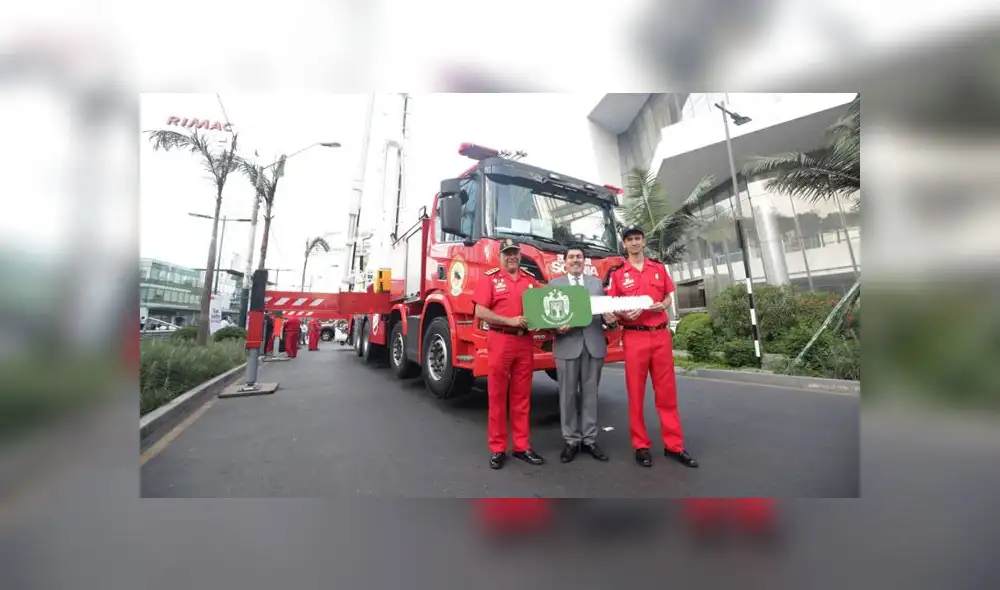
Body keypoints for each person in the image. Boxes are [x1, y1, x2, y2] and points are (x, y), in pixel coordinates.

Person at [605, 225, 698, 469]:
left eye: (638, 239)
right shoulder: (617, 274)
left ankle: (674, 445)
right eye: (630, 240)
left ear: (644, 242)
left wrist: (663, 305)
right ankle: (641, 445)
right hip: (635, 337)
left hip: (660, 336)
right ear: (624, 245)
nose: (635, 243)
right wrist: (623, 313)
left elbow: (669, 296)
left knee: (666, 394)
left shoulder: (658, 268)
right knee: (635, 394)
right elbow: (611, 306)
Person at [472, 238, 545, 470]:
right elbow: (480, 311)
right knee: (496, 395)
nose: (512, 256)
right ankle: (498, 448)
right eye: (507, 253)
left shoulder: (530, 281)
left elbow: (543, 310)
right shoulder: (491, 280)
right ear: (500, 257)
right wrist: (509, 320)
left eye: (515, 253)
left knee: (522, 397)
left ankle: (522, 446)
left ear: (520, 256)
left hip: (524, 342)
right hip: (500, 339)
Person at [549, 247, 614, 463]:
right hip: (567, 345)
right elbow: (547, 316)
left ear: (584, 262)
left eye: (579, 257)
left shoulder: (596, 283)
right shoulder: (554, 284)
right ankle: (571, 440)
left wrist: (609, 319)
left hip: (593, 344)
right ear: (565, 262)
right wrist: (557, 328)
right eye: (571, 257)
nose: (575, 260)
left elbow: (603, 314)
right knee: (566, 395)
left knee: (590, 395)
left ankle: (590, 439)